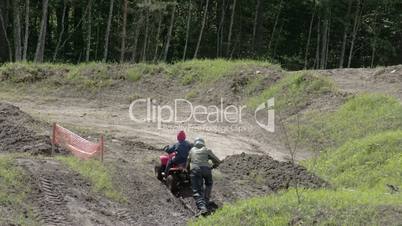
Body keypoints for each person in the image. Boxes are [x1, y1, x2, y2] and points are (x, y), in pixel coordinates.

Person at [185, 137, 221, 215]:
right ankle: (206, 201)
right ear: (203, 143)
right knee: (209, 184)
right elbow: (218, 161)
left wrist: (188, 171)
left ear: (195, 143)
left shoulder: (191, 150)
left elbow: (187, 163)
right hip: (207, 170)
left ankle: (202, 208)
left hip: (195, 170)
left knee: (197, 190)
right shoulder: (207, 150)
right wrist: (212, 167)